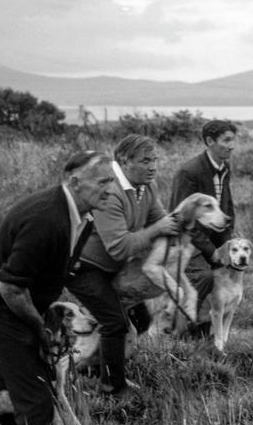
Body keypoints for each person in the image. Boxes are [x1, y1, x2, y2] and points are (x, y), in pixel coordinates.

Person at [0, 151, 116, 425]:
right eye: (103, 181)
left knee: (44, 385)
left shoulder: (80, 216)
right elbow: (9, 287)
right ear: (76, 182)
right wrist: (42, 330)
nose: (111, 189)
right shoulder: (46, 219)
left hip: (25, 306)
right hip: (3, 309)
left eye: (113, 181)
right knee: (36, 398)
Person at [68, 135, 179, 394]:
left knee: (140, 319)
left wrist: (180, 226)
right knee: (114, 323)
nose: (153, 166)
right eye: (146, 161)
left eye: (155, 160)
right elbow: (118, 247)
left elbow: (159, 218)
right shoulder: (110, 191)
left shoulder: (145, 186)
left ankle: (95, 367)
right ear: (125, 161)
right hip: (83, 267)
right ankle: (111, 388)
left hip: (112, 267)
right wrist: (158, 230)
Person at [170, 119, 237, 336]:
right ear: (209, 141)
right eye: (226, 140)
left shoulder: (224, 167)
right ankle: (183, 330)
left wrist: (226, 245)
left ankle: (207, 332)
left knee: (225, 276)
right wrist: (212, 252)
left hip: (213, 240)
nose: (231, 145)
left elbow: (226, 207)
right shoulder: (189, 171)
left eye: (232, 140)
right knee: (205, 277)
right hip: (188, 242)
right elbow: (183, 218)